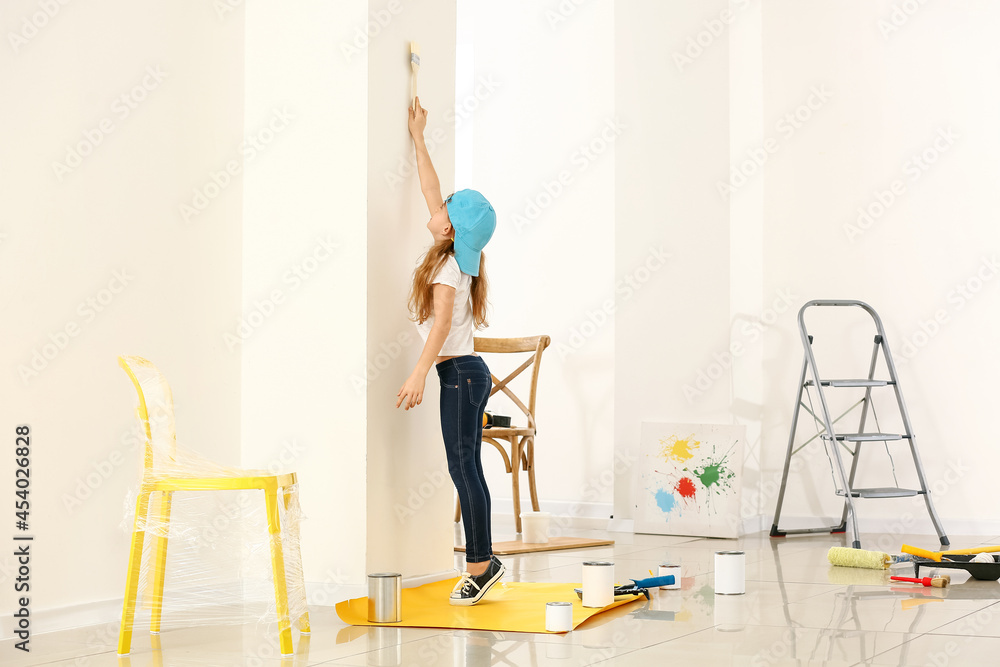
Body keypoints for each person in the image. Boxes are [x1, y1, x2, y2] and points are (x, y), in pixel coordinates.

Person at [396, 96, 504, 605]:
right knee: (466, 466)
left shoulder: (446, 272)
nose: (435, 207)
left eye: (444, 210)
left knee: (463, 467)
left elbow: (440, 328)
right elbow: (430, 186)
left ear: (449, 229)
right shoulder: (455, 259)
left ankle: (481, 565)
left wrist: (419, 373)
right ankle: (484, 559)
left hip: (459, 373)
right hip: (465, 374)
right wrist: (418, 136)